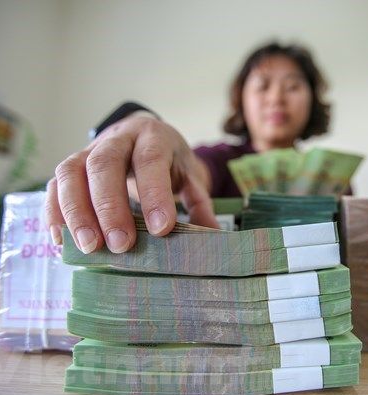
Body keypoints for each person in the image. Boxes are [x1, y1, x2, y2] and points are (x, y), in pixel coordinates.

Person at [46, 41, 332, 255]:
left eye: (292, 87)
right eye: (262, 85)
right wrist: (145, 134)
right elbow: (187, 173)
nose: (276, 98)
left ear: (312, 100)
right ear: (241, 99)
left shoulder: (332, 179)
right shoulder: (221, 159)